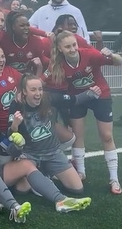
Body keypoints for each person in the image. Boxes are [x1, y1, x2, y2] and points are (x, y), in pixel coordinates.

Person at [43, 31, 122, 194]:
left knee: (107, 136)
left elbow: (119, 62)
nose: (72, 49)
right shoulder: (56, 64)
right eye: (67, 46)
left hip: (100, 94)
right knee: (77, 137)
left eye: (74, 45)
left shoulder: (89, 54)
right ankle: (81, 172)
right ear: (59, 48)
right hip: (78, 98)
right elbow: (44, 82)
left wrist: (112, 55)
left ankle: (114, 178)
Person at [9, 73, 102, 194]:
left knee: (77, 188)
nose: (38, 93)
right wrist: (15, 124)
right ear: (24, 92)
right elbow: (10, 134)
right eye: (33, 90)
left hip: (53, 152)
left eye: (40, 89)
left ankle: (46, 171)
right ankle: (39, 171)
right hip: (30, 154)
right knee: (22, 189)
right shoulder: (17, 104)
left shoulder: (49, 98)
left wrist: (91, 94)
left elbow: (74, 100)